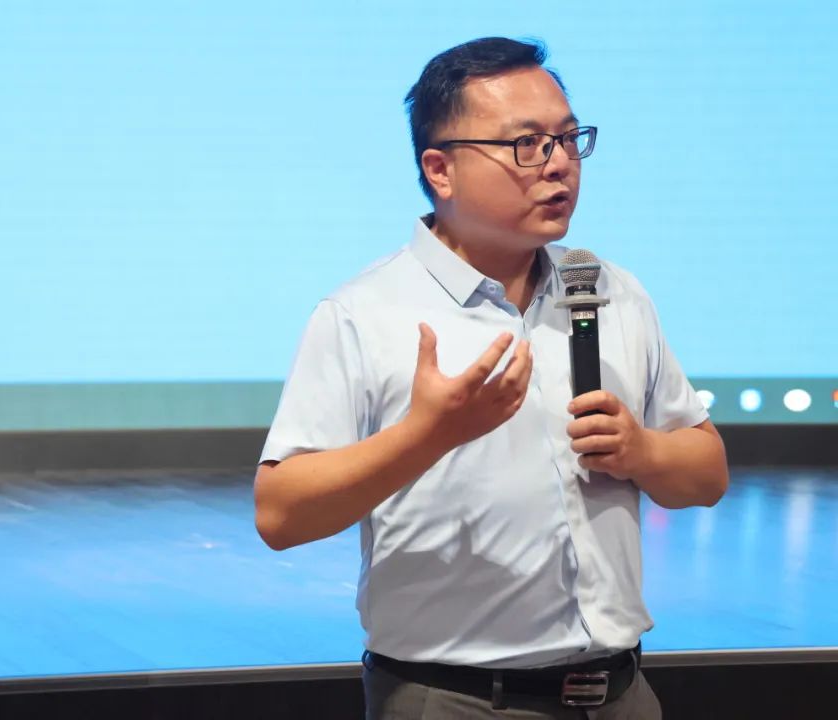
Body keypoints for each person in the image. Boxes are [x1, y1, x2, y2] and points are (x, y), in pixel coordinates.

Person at [253, 37, 728, 719]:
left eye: (569, 139)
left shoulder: (611, 292)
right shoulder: (363, 313)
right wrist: (428, 435)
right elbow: (280, 515)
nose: (558, 163)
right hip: (456, 700)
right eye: (526, 144)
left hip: (622, 694)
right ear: (440, 169)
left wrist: (641, 451)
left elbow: (707, 475)